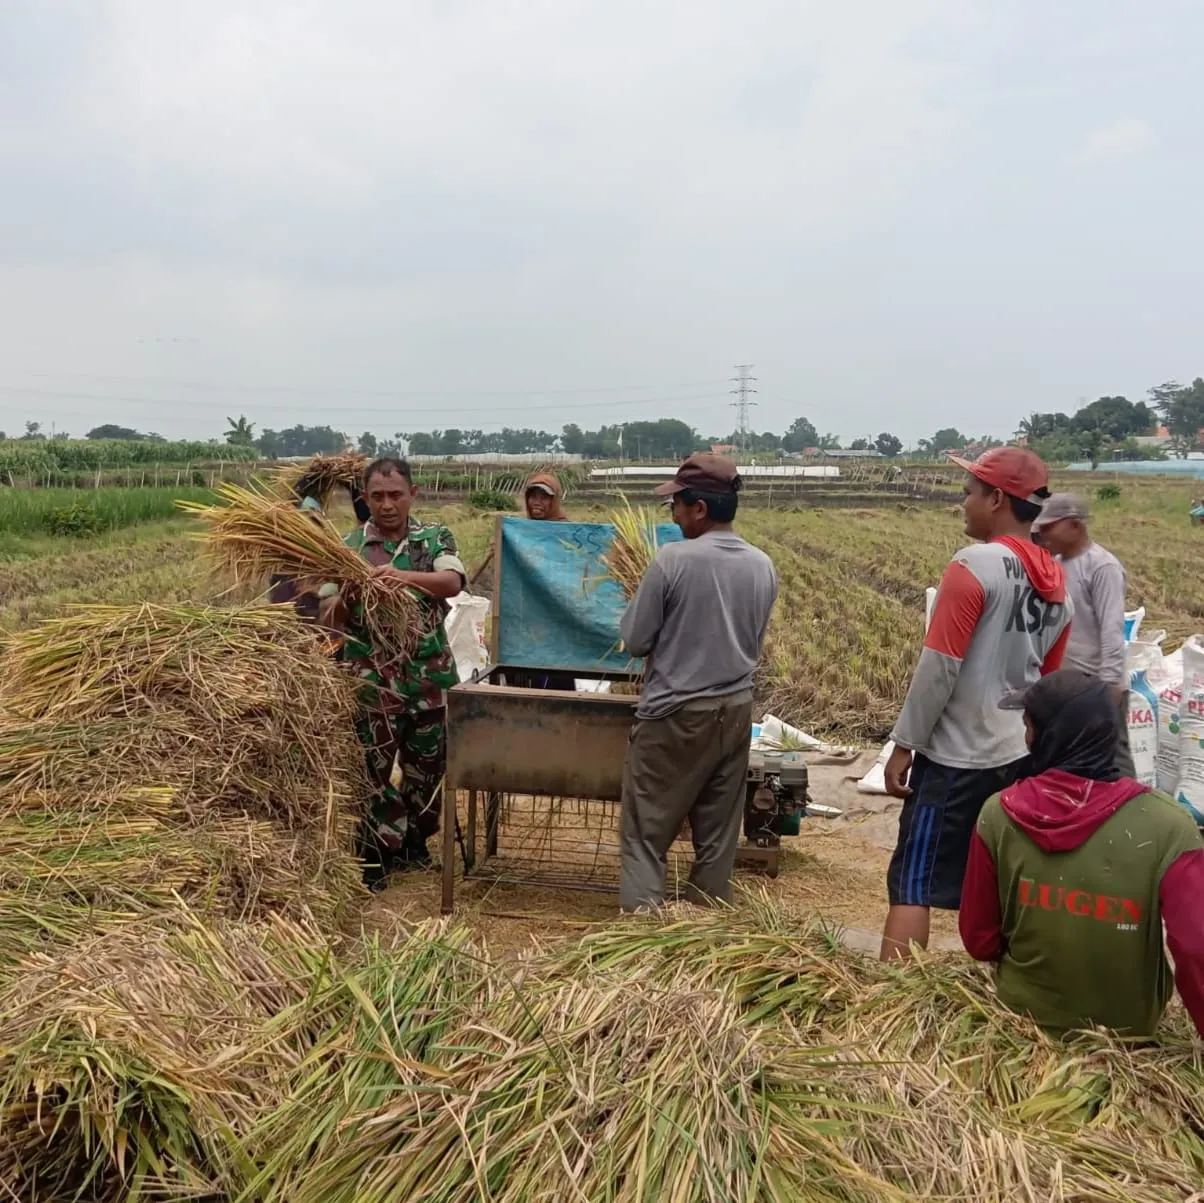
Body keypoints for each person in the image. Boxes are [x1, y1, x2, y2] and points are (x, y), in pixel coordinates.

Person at [881, 446, 1073, 961]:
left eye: (969, 493)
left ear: (996, 498)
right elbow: (1046, 685)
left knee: (914, 881)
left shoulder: (975, 564)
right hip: (1015, 755)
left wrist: (904, 746)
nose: (963, 502)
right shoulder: (1058, 585)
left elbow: (940, 666)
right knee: (1000, 881)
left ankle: (883, 1001)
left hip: (954, 756)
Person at [960, 670, 1204, 1038]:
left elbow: (979, 940)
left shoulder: (998, 813)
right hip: (1124, 1041)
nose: (1025, 737)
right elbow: (1196, 948)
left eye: (1029, 726)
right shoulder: (1168, 826)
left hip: (1021, 1026)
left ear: (1049, 736)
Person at [617, 453, 777, 912]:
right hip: (735, 711)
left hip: (674, 718)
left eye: (677, 505)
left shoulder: (673, 561)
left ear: (700, 509)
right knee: (718, 838)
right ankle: (705, 936)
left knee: (646, 835)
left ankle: (644, 936)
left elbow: (634, 640)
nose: (674, 513)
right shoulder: (762, 565)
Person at [320, 457, 467, 888]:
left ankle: (414, 843)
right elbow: (330, 617)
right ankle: (376, 854)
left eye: (396, 495)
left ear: (412, 495)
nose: (387, 505)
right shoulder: (345, 550)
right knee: (371, 771)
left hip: (430, 679)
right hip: (372, 684)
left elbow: (452, 582)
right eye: (378, 496)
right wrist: (350, 591)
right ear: (365, 499)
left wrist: (396, 578)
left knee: (429, 769)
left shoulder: (433, 537)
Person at [1031, 493, 1132, 776]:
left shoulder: (1102, 566)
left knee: (1113, 761)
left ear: (1074, 525)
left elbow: (1112, 631)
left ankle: (1129, 814)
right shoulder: (1056, 565)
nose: (1043, 534)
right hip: (1066, 686)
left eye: (1049, 527)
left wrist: (1110, 688)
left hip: (1098, 686)